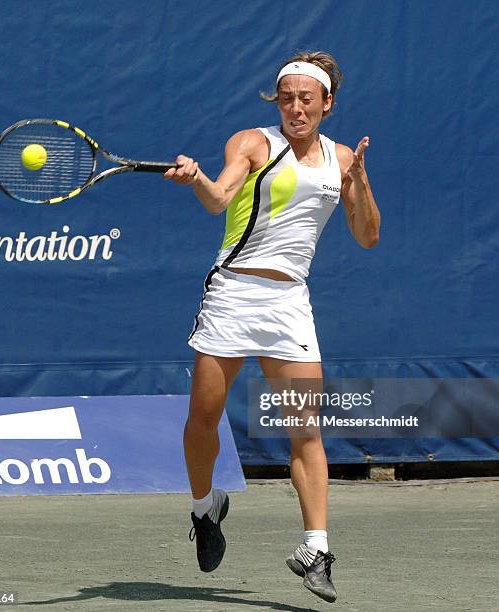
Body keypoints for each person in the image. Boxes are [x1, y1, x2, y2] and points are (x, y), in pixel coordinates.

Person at [164, 50, 380, 603]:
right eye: (287, 99)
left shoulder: (341, 160)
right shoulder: (253, 143)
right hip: (233, 294)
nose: (295, 108)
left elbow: (367, 235)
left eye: (307, 99)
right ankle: (204, 506)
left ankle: (317, 548)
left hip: (289, 304)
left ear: (327, 103)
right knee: (201, 422)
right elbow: (218, 200)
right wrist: (196, 179)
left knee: (306, 430)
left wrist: (360, 180)